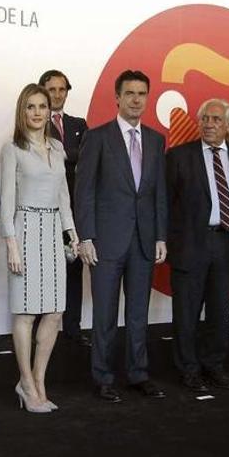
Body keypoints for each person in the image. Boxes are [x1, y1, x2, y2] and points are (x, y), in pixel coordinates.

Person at [75, 70, 168, 403]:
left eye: (141, 93)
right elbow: (83, 191)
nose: (136, 99)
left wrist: (160, 235)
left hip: (144, 240)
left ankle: (138, 374)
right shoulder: (98, 137)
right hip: (106, 242)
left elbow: (158, 193)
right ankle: (103, 378)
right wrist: (86, 236)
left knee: (138, 313)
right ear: (116, 97)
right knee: (104, 314)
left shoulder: (157, 140)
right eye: (129, 93)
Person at [0, 84, 78, 413]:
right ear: (22, 111)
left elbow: (63, 195)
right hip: (26, 229)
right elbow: (6, 200)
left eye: (42, 106)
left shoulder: (58, 148)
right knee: (26, 312)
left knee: (55, 311)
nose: (36, 112)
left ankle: (39, 380)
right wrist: (11, 245)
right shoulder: (11, 149)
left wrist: (71, 233)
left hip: (52, 233)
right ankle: (26, 382)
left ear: (50, 110)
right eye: (30, 106)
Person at [166, 98, 229, 392]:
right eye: (205, 119)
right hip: (190, 244)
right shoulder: (178, 156)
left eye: (216, 119)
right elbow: (165, 204)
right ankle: (188, 370)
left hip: (226, 243)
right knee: (186, 314)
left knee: (218, 312)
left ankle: (214, 366)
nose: (209, 124)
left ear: (228, 125)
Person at [39, 69, 90, 347]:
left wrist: (64, 156)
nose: (57, 95)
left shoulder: (79, 123)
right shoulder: (33, 122)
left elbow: (90, 160)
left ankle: (72, 330)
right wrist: (72, 156)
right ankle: (41, 333)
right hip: (45, 210)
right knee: (44, 273)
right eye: (52, 89)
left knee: (73, 272)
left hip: (75, 210)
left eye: (62, 89)